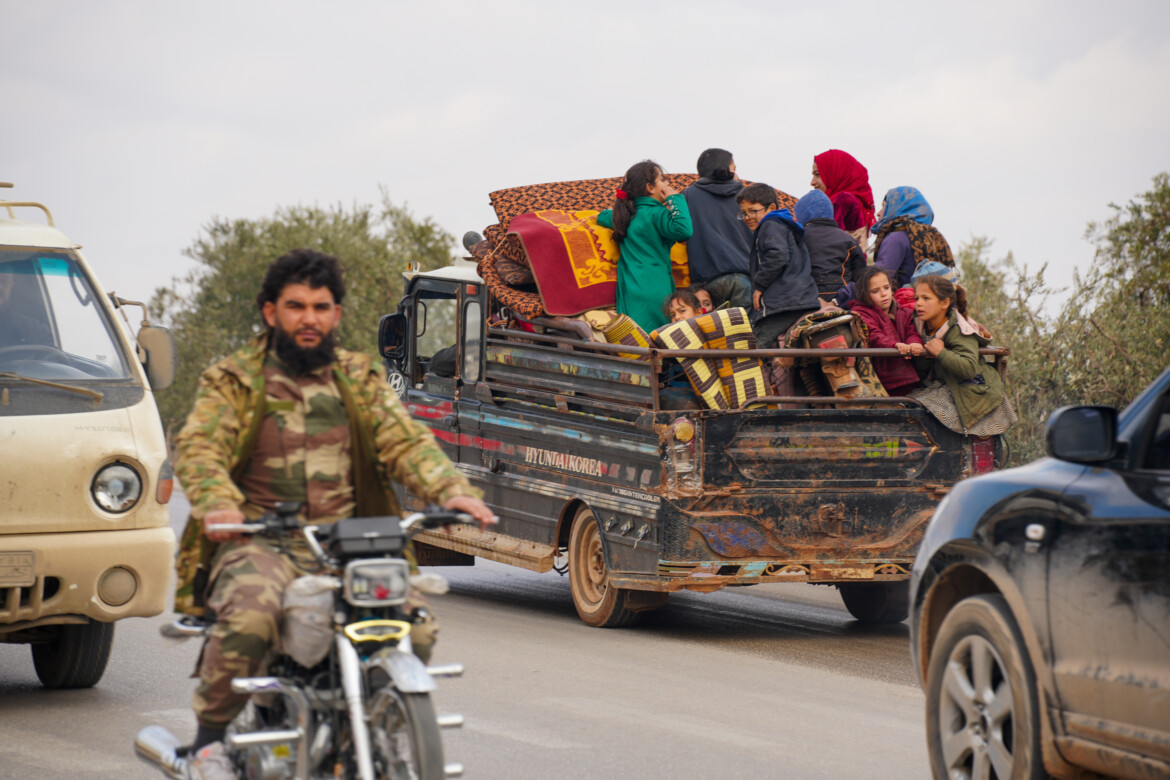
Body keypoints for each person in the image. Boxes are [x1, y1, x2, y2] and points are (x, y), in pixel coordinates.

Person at [172, 249, 496, 775]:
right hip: (260, 540)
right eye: (296, 306)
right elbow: (201, 447)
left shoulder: (357, 377)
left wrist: (450, 489)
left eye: (321, 307)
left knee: (414, 630)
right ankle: (208, 743)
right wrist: (218, 504)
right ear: (270, 311)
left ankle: (375, 719)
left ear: (336, 315)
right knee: (251, 619)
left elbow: (404, 440)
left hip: (348, 541)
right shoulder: (234, 379)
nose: (309, 318)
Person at [912, 274, 1016, 435]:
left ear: (944, 303)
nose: (919, 303)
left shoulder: (959, 330)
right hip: (946, 384)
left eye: (926, 298)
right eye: (917, 298)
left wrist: (940, 352)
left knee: (919, 407)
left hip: (971, 390)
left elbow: (969, 368)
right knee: (908, 404)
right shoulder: (921, 326)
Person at [597, 161, 693, 333]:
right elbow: (684, 230)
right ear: (650, 187)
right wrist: (675, 198)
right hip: (655, 288)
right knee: (661, 342)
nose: (667, 184)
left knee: (636, 343)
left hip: (630, 288)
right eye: (662, 180)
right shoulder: (658, 214)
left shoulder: (624, 217)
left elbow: (602, 216)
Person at [736, 183, 820, 349]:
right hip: (798, 298)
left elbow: (777, 256)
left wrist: (759, 286)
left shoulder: (770, 225)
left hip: (783, 303)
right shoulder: (783, 225)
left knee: (757, 345)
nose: (747, 217)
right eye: (743, 213)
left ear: (771, 208)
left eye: (753, 211)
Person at [680, 148, 753, 309]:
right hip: (744, 276)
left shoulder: (687, 196)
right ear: (727, 170)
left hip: (706, 282)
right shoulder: (746, 197)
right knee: (745, 331)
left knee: (715, 332)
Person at [850, 265, 923, 396]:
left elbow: (911, 331)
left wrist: (914, 343)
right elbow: (874, 335)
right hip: (883, 378)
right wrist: (894, 345)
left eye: (886, 288)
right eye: (875, 291)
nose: (884, 294)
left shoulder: (902, 311)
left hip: (909, 375)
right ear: (865, 294)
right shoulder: (861, 313)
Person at [871, 186, 954, 288]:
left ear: (898, 208)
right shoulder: (931, 238)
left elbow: (876, 281)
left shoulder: (896, 239)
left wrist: (847, 293)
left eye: (884, 206)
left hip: (902, 302)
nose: (878, 213)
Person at [794, 189, 866, 302]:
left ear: (802, 214)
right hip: (842, 300)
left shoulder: (797, 238)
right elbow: (860, 276)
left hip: (807, 300)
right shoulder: (848, 240)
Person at [811, 149, 876, 249]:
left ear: (836, 173)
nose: (812, 182)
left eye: (818, 174)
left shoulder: (843, 200)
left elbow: (827, 240)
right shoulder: (852, 201)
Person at [0, 266, 53, 348]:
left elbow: (54, 358)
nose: (0, 287)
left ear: (11, 286)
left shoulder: (35, 331)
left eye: (4, 281)